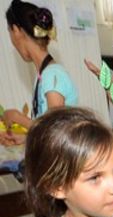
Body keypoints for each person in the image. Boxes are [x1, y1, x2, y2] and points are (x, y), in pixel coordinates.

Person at [2, 0, 77, 146]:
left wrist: (18, 117)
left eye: (9, 32)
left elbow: (55, 131)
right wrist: (25, 139)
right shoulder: (44, 75)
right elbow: (47, 132)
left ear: (16, 31)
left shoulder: (52, 75)